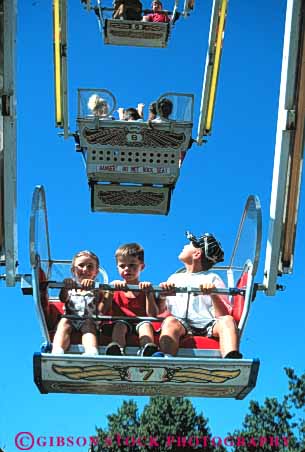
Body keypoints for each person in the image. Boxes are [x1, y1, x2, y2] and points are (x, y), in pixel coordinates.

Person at [154, 232, 243, 359]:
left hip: (210, 324)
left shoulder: (212, 278)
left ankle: (231, 357)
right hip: (181, 324)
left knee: (227, 321)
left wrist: (213, 294)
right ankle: (165, 359)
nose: (185, 246)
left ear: (197, 254)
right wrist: (163, 296)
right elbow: (161, 312)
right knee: (169, 322)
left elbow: (223, 314)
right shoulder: (174, 278)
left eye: (189, 244)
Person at [105, 243, 159, 356]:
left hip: (141, 321)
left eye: (132, 265)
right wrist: (110, 292)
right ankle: (117, 349)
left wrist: (148, 293)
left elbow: (152, 315)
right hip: (121, 321)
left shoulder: (146, 288)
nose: (127, 269)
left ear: (142, 267)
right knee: (120, 325)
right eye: (122, 266)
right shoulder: (114, 288)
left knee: (145, 325)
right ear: (117, 268)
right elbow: (104, 310)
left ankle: (147, 348)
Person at [52, 250, 107, 356]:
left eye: (90, 266)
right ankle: (58, 350)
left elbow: (103, 298)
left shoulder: (96, 288)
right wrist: (65, 287)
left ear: (96, 272)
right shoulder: (71, 288)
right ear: (73, 270)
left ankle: (91, 351)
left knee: (88, 325)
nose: (85, 269)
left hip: (88, 319)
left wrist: (94, 286)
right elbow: (63, 299)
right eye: (81, 265)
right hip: (71, 318)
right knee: (64, 322)